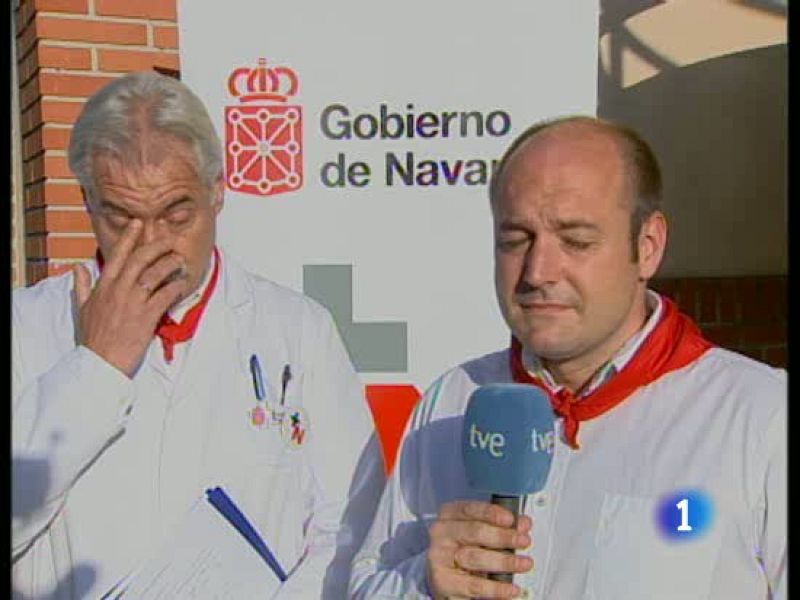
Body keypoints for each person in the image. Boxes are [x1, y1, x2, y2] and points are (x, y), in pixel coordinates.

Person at [348, 116, 786, 599]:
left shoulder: (761, 418)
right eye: (515, 240)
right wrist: (422, 582)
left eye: (576, 241)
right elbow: (366, 584)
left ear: (648, 247)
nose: (538, 271)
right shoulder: (452, 401)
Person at [12, 71, 383, 599]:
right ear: (88, 202)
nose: (151, 244)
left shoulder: (299, 330)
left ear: (217, 191)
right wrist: (93, 370)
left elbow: (352, 524)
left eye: (175, 214)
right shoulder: (25, 326)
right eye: (121, 218)